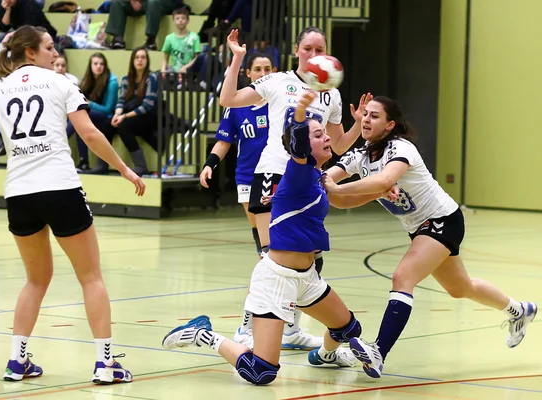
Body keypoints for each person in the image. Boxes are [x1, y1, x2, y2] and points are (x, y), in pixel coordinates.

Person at [0, 25, 145, 384]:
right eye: (50, 47)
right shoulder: (61, 81)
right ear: (31, 52)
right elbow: (89, 133)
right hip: (59, 188)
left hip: (20, 194)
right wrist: (126, 170)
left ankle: (16, 361)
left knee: (36, 280)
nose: (55, 53)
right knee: (91, 277)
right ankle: (105, 363)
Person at [161, 92, 372, 386]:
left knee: (348, 328)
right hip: (276, 279)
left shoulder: (317, 176)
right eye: (318, 134)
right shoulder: (299, 170)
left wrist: (380, 190)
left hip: (307, 278)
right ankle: (204, 335)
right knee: (262, 372)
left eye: (325, 133)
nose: (326, 138)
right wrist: (300, 111)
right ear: (302, 146)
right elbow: (297, 140)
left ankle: (324, 356)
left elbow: (344, 200)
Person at [323, 96, 538, 378]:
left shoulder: (401, 148)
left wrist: (337, 188)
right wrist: (327, 185)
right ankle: (519, 310)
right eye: (365, 115)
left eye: (374, 116)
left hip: (443, 220)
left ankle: (378, 352)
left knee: (403, 277)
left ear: (389, 125)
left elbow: (384, 181)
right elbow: (333, 188)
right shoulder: (360, 156)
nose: (366, 120)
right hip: (419, 228)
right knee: (460, 288)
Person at [219, 27, 369, 348]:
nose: (314, 55)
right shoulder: (278, 82)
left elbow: (339, 145)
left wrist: (358, 123)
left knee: (310, 259)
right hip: (274, 174)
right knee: (272, 259)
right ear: (297, 50)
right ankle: (246, 328)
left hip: (307, 184)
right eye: (308, 49)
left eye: (321, 49)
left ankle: (289, 330)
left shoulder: (332, 94)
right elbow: (228, 99)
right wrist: (237, 59)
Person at [200, 52, 273, 258]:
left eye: (267, 69)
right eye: (258, 69)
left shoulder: (280, 103)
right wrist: (209, 164)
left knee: (276, 226)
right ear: (248, 73)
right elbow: (224, 142)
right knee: (259, 227)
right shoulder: (236, 105)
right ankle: (266, 265)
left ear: (274, 72)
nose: (263, 74)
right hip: (248, 175)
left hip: (276, 173)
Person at [89, 47, 158, 176]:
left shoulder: (151, 78)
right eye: (137, 57)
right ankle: (102, 164)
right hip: (131, 114)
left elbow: (147, 106)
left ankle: (141, 165)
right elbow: (121, 100)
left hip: (148, 116)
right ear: (132, 60)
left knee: (123, 125)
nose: (140, 60)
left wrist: (124, 116)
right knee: (107, 124)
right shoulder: (127, 78)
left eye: (143, 57)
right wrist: (117, 114)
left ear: (147, 61)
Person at [67, 52, 119, 172]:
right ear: (90, 65)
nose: (98, 66)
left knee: (82, 115)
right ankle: (83, 162)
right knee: (81, 120)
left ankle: (62, 138)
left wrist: (90, 104)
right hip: (91, 116)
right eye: (95, 63)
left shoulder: (112, 82)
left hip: (107, 119)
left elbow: (108, 109)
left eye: (102, 64)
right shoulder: (85, 80)